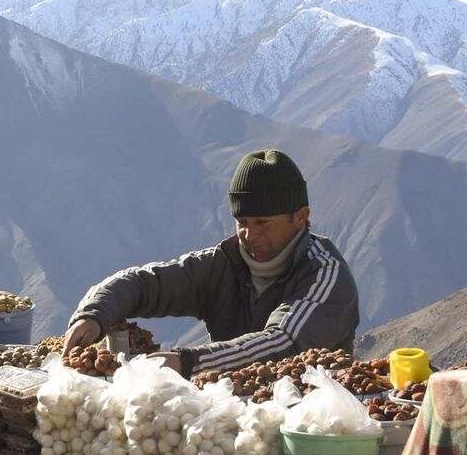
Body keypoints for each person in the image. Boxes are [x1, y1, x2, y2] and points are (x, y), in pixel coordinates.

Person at [63, 149, 358, 377]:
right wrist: (93, 314)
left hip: (311, 420)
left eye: (263, 222)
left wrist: (189, 361)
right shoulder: (222, 264)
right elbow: (142, 284)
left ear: (300, 217)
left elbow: (282, 343)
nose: (249, 234)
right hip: (227, 414)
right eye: (241, 221)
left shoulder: (325, 275)